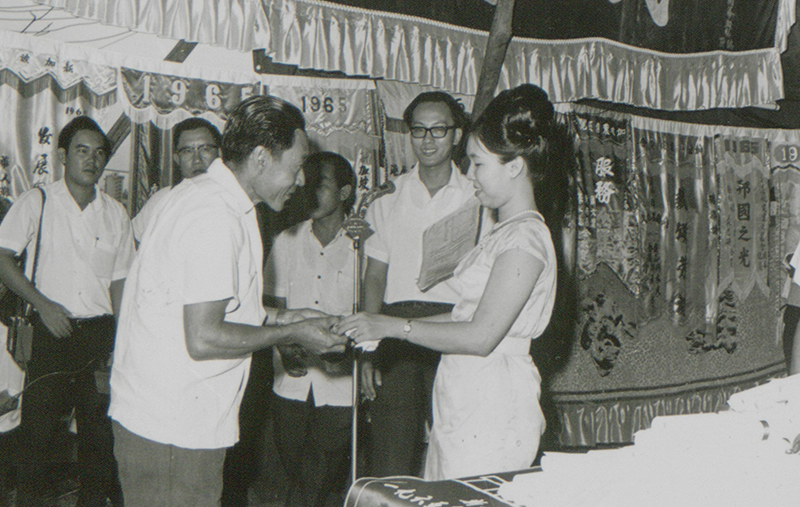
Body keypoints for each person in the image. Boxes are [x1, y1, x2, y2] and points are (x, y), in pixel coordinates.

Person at [108, 95, 347, 507]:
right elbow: (203, 337)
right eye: (296, 166)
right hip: (173, 430)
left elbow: (214, 306)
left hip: (172, 421)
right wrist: (292, 333)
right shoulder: (213, 216)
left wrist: (284, 316)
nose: (302, 181)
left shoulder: (213, 201)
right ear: (260, 158)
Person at [337, 84, 571, 480]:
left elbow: (480, 336)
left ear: (514, 167)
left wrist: (396, 326)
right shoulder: (505, 231)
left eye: (479, 164)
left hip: (492, 394)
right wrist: (383, 328)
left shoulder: (525, 239)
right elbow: (465, 314)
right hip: (468, 388)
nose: (472, 176)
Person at [0, 116, 135, 506]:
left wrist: (120, 341)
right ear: (63, 156)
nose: (91, 160)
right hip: (49, 333)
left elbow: (120, 281)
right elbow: (3, 257)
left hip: (99, 338)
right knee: (38, 442)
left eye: (98, 153)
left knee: (98, 442)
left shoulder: (115, 214)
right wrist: (42, 305)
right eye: (81, 151)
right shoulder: (37, 201)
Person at [358, 90, 489, 477]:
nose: (428, 140)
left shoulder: (477, 197)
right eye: (419, 130)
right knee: (390, 452)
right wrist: (368, 349)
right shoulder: (387, 197)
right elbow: (374, 275)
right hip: (395, 333)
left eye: (438, 130)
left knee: (458, 447)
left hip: (453, 327)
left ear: (457, 135)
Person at [264, 151, 357, 507]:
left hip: (340, 383)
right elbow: (275, 308)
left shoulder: (364, 244)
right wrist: (287, 348)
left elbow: (368, 311)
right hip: (291, 379)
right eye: (309, 183)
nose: (312, 193)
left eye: (324, 184)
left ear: (345, 192)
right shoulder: (287, 240)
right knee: (296, 471)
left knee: (316, 475)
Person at [131, 117, 222, 242]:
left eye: (205, 149)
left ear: (219, 154)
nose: (197, 159)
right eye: (187, 151)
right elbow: (131, 243)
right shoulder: (162, 199)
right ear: (176, 158)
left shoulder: (233, 200)